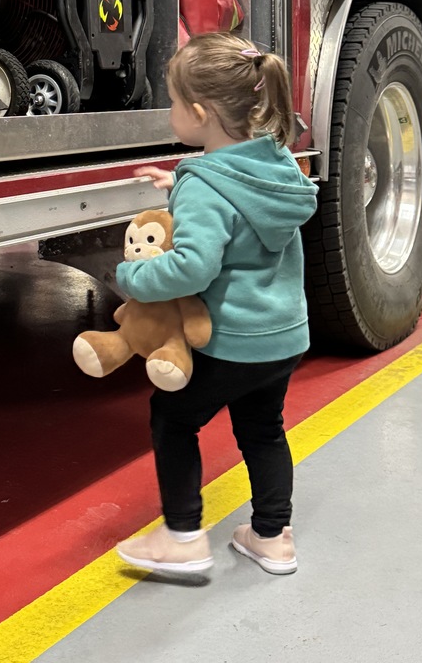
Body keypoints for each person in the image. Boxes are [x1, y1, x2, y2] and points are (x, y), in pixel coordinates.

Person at [115, 32, 318, 577]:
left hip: (231, 340)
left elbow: (194, 265)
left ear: (200, 113)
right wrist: (178, 183)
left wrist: (132, 277)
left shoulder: (206, 185)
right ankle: (272, 538)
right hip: (283, 338)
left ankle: (182, 535)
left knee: (172, 418)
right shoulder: (275, 163)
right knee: (264, 428)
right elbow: (231, 199)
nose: (171, 113)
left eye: (175, 104)